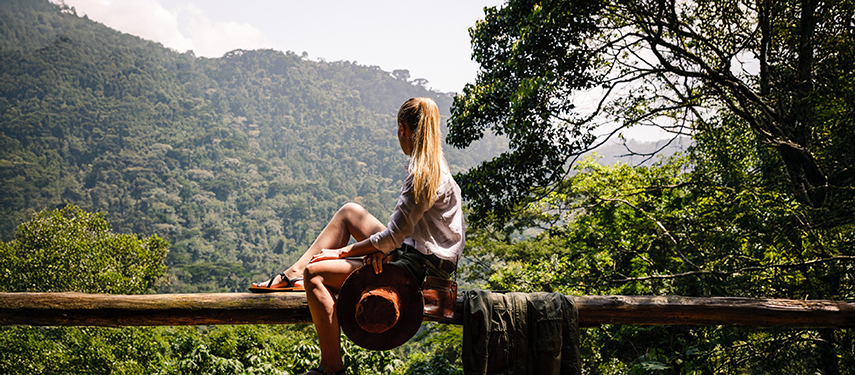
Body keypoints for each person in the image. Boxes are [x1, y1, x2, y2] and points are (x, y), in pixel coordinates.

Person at [249, 97, 465, 375]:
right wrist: (378, 248)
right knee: (350, 212)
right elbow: (398, 237)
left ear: (403, 130)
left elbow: (392, 238)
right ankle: (292, 273)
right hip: (417, 253)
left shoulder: (422, 177)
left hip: (416, 269)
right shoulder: (438, 171)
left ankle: (331, 368)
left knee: (315, 274)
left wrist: (342, 253)